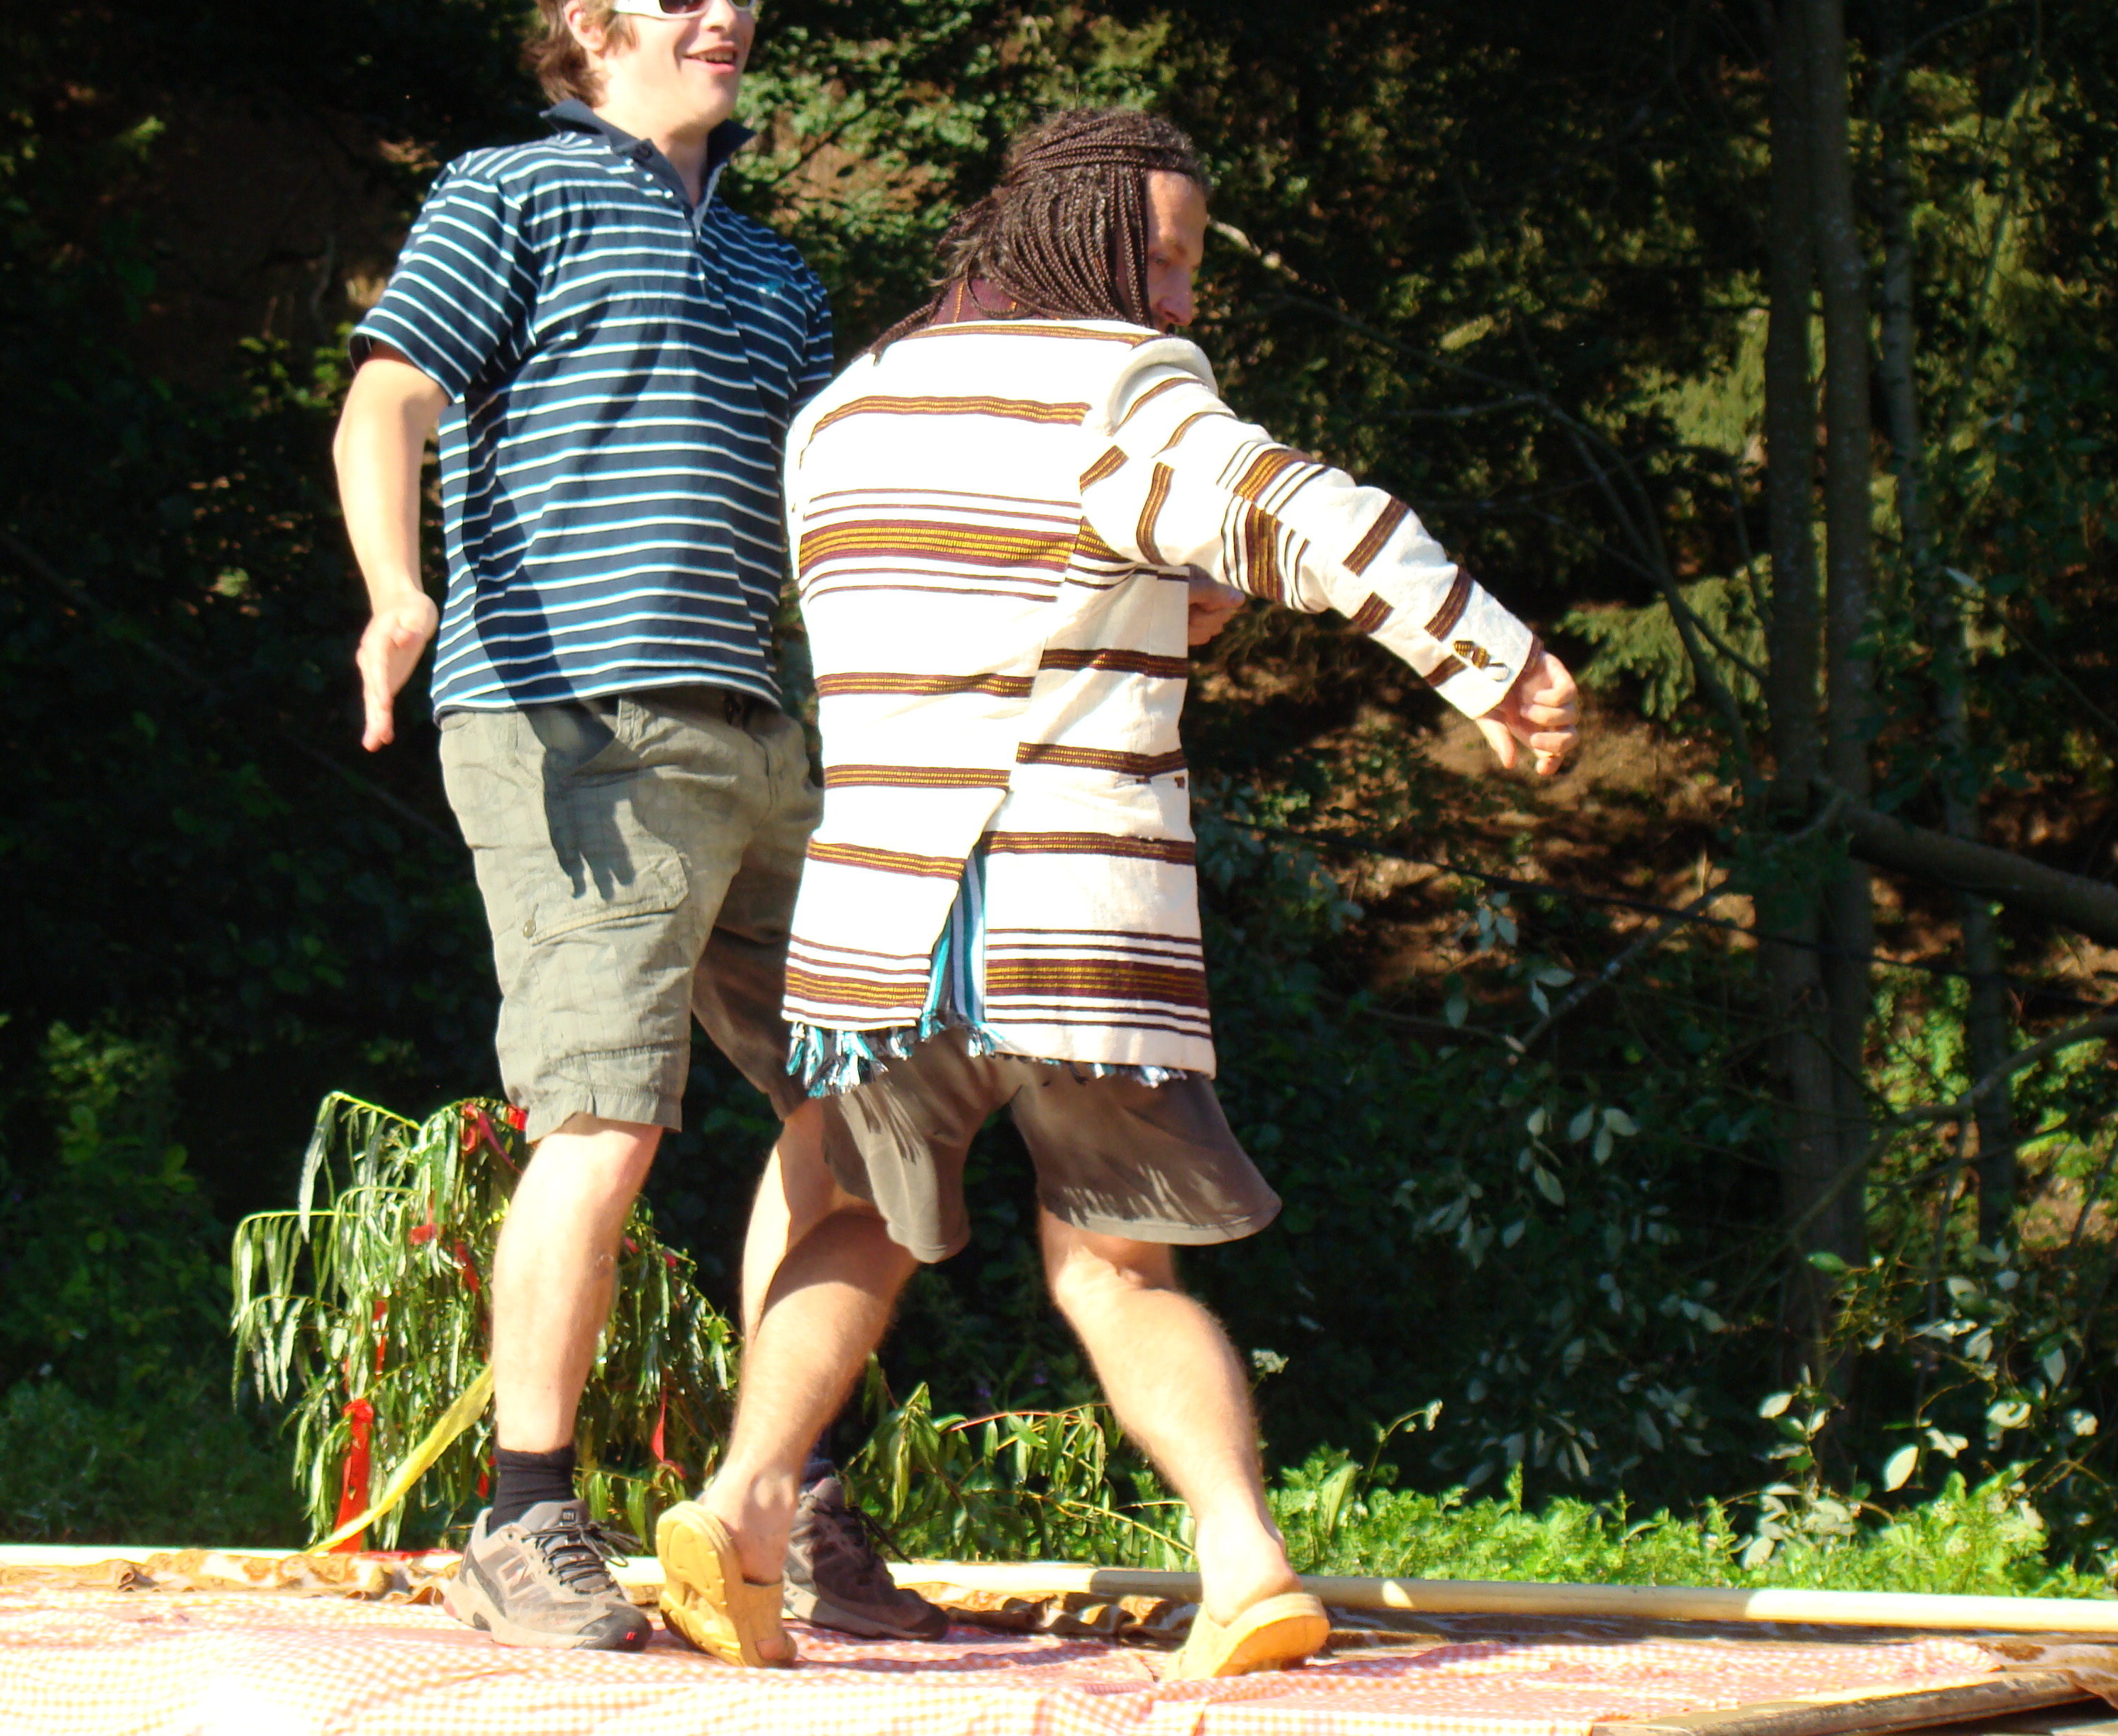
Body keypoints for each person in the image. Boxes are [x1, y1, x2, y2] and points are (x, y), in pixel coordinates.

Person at [650, 109, 1582, 1676]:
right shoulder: (1121, 385)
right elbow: (1308, 515)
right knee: (1114, 1264)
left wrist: (1161, 599)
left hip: (878, 928)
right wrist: (1497, 661)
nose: (1182, 297)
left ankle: (744, 1511)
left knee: (851, 1216)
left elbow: (967, 595)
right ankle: (1245, 1560)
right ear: (1076, 239)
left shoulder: (842, 410)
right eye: (1163, 257)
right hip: (1068, 916)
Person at [330, 0, 945, 1651]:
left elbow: (837, 519)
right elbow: (387, 401)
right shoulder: (510, 190)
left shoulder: (774, 270)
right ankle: (522, 1517)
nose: (724, 12)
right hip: (576, 722)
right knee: (605, 1112)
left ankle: (770, 1501)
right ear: (585, 19)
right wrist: (397, 591)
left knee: (869, 1095)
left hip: (763, 733)